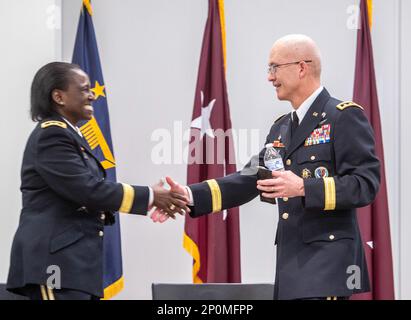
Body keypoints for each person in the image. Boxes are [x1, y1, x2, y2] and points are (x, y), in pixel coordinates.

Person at [152, 34, 380, 300]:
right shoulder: (281, 126)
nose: (270, 78)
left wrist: (304, 187)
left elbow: (365, 185)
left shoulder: (344, 116)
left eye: (274, 68)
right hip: (291, 268)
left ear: (302, 67)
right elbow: (249, 178)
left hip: (327, 268)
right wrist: (188, 195)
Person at [7, 62, 189, 300]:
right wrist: (153, 196)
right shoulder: (52, 135)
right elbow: (87, 190)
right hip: (54, 266)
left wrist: (155, 198)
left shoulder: (69, 134)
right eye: (83, 89)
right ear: (59, 96)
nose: (92, 95)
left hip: (74, 266)